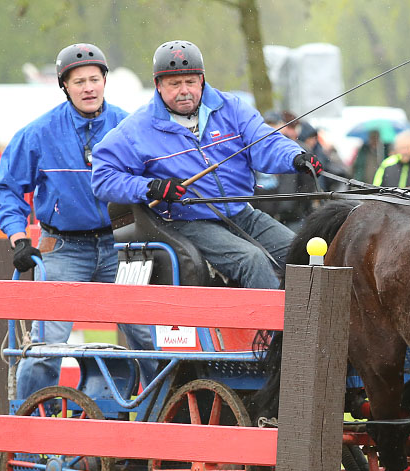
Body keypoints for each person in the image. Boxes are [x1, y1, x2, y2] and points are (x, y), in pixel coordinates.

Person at [0, 43, 154, 401]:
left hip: (121, 245)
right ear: (64, 86)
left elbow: (157, 178)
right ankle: (29, 426)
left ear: (105, 81)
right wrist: (19, 238)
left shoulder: (129, 127)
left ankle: (161, 425)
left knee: (148, 335)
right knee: (47, 344)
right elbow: (6, 189)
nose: (88, 87)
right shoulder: (39, 133)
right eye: (79, 81)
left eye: (94, 79)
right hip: (64, 248)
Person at [92, 40, 321, 291]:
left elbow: (264, 141)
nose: (184, 90)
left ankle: (309, 324)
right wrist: (151, 187)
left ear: (201, 80)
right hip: (189, 221)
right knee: (251, 260)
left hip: (241, 212)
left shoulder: (230, 108)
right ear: (158, 85)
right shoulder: (136, 129)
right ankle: (269, 329)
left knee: (303, 253)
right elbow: (103, 178)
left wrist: (295, 157)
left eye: (190, 82)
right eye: (174, 83)